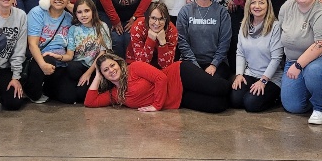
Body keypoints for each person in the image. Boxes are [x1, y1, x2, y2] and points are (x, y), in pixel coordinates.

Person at [85, 52, 230, 113]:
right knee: (218, 106)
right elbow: (90, 102)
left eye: (112, 65)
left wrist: (156, 106)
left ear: (118, 63)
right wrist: (97, 75)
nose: (111, 70)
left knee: (219, 88)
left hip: (179, 75)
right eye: (105, 70)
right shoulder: (116, 94)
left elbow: (161, 78)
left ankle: (235, 82)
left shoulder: (134, 68)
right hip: (178, 99)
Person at [231, 0, 284, 113]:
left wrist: (263, 81)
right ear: (249, 6)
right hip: (251, 73)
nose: (257, 6)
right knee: (235, 100)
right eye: (253, 3)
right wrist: (239, 75)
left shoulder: (275, 26)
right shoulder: (244, 25)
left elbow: (276, 58)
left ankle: (276, 97)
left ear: (268, 6)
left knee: (251, 104)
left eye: (261, 3)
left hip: (271, 78)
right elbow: (240, 53)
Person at [24, 0, 76, 103]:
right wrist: (43, 65)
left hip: (60, 62)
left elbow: (92, 21)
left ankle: (47, 88)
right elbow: (32, 44)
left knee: (69, 97)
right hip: (40, 60)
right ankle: (31, 91)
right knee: (48, 59)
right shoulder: (37, 12)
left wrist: (71, 7)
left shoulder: (69, 18)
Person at [176, 0, 232, 79]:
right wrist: (195, 66)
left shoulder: (222, 12)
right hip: (190, 63)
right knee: (205, 84)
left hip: (217, 64)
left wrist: (214, 64)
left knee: (216, 85)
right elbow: (182, 41)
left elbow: (225, 42)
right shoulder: (185, 11)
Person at [61, 0, 112, 95]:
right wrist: (58, 56)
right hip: (78, 66)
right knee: (71, 69)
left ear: (93, 11)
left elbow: (102, 53)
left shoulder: (102, 26)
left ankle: (87, 84)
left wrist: (88, 73)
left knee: (81, 95)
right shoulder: (73, 29)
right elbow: (70, 54)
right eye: (79, 12)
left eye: (86, 11)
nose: (83, 15)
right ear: (75, 14)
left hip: (95, 66)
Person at [126, 1, 178, 69]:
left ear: (166, 20)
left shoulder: (172, 30)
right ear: (148, 18)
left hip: (159, 67)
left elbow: (166, 65)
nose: (157, 23)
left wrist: (162, 42)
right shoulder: (138, 27)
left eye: (161, 19)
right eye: (153, 18)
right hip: (136, 63)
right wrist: (150, 40)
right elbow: (142, 63)